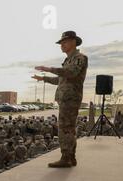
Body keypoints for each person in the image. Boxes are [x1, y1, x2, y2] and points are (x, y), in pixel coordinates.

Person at [32, 31, 88, 167]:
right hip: (65, 98)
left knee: (65, 129)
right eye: (61, 43)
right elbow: (60, 80)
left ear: (74, 42)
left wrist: (49, 69)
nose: (62, 45)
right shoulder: (68, 60)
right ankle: (70, 158)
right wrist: (44, 78)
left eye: (64, 42)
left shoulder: (80, 58)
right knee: (68, 128)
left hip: (70, 98)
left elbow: (71, 73)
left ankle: (66, 158)